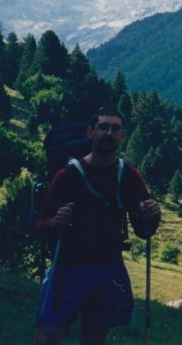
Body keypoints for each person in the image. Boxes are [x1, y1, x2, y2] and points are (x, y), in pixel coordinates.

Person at [33, 108, 161, 345]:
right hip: (68, 269)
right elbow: (38, 226)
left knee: (95, 339)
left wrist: (153, 215)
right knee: (47, 338)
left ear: (123, 135)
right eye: (103, 127)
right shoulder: (67, 176)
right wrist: (54, 222)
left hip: (109, 270)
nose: (109, 133)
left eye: (115, 128)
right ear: (90, 133)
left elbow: (143, 230)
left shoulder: (130, 177)